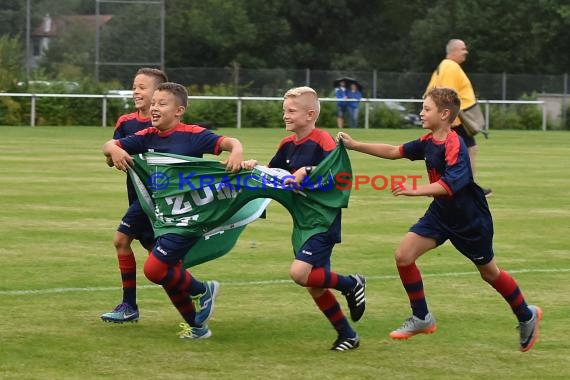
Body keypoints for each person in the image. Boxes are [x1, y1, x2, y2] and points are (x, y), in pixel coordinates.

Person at [337, 87, 542, 352]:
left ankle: (527, 315)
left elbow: (449, 186)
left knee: (490, 273)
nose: (421, 112)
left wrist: (415, 190)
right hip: (441, 214)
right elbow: (393, 150)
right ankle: (422, 317)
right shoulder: (428, 141)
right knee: (404, 256)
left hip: (470, 220)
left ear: (444, 114)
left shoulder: (455, 144)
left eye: (426, 109)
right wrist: (354, 145)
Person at [102, 82, 244, 339]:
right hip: (158, 211)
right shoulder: (147, 136)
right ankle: (197, 325)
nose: (154, 108)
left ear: (179, 110)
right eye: (153, 103)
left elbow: (229, 141)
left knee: (157, 269)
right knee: (163, 269)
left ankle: (203, 290)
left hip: (186, 216)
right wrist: (114, 149)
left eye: (161, 104)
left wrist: (237, 151)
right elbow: (110, 145)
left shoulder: (193, 135)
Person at [242, 86, 366, 351]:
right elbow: (272, 174)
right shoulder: (286, 144)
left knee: (300, 273)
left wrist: (306, 170)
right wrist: (253, 167)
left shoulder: (323, 141)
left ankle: (351, 283)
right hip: (302, 222)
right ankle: (348, 335)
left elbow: (338, 173)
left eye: (291, 111)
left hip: (323, 221)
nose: (285, 115)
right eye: (284, 110)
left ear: (310, 115)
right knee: (315, 284)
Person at [101, 67, 168, 324]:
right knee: (158, 255)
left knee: (121, 240)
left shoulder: (163, 123)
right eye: (134, 86)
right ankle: (196, 292)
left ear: (158, 93)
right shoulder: (125, 122)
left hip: (157, 200)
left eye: (142, 87)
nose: (136, 91)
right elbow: (110, 158)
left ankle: (129, 305)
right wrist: (114, 154)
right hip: (136, 197)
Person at [425, 39, 492, 196]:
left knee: (452, 150)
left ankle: (441, 185)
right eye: (463, 49)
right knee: (469, 149)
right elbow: (448, 94)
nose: (466, 52)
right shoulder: (450, 66)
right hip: (455, 118)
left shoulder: (446, 66)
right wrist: (450, 120)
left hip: (451, 116)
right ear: (453, 51)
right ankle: (468, 189)